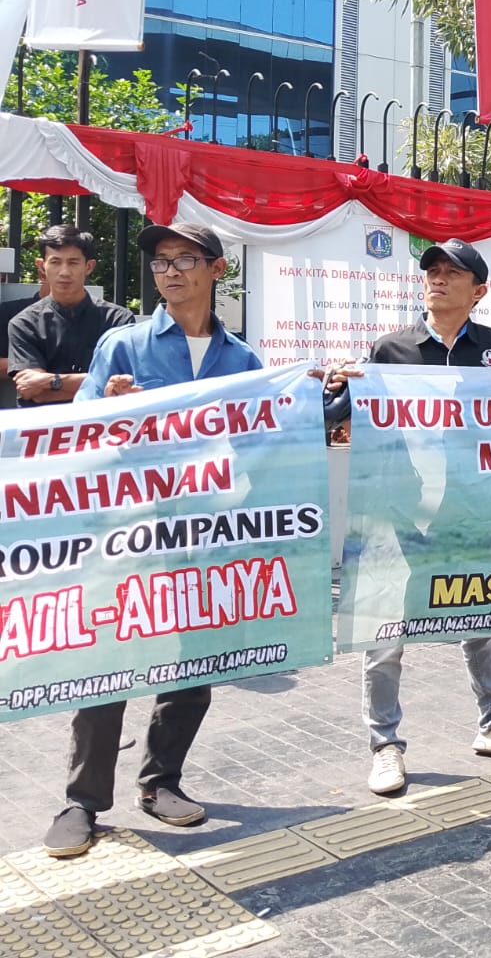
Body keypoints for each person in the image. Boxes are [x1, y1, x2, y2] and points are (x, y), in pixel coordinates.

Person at [44, 223, 263, 859]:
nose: (169, 272)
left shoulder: (242, 361)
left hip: (205, 538)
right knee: (104, 668)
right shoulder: (124, 346)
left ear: (217, 270)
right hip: (124, 537)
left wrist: (325, 401)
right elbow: (76, 439)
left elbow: (260, 448)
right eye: (161, 262)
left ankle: (161, 779)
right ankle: (83, 802)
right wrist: (106, 411)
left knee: (194, 668)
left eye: (185, 259)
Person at [326, 239, 491, 797]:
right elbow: (345, 417)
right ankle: (385, 746)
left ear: (479, 291)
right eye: (432, 271)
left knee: (482, 625)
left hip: (469, 516)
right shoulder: (390, 350)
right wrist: (337, 391)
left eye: (453, 273)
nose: (438, 279)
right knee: (387, 637)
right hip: (399, 517)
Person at [7, 226, 134, 408]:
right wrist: (98, 384)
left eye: (73, 262)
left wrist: (51, 381)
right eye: (56, 262)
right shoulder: (24, 323)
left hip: (103, 425)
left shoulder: (118, 319)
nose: (64, 272)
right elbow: (35, 393)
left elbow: (121, 385)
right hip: (44, 428)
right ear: (42, 266)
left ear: (88, 266)